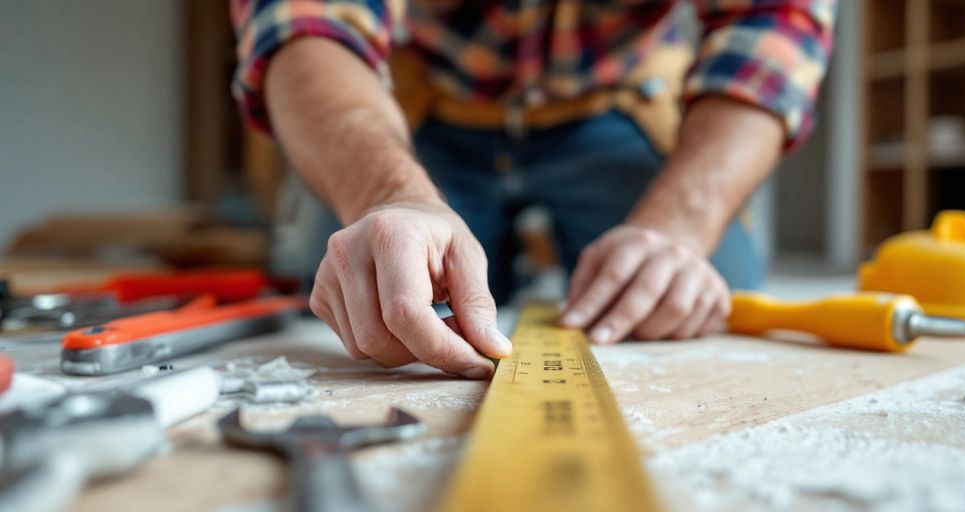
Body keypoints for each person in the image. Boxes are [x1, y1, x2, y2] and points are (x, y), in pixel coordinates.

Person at [231, 0, 835, 379]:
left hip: (616, 100)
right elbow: (306, 20)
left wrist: (678, 224)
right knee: (360, 288)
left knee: (701, 291)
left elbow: (774, 18)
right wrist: (389, 197)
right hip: (429, 108)